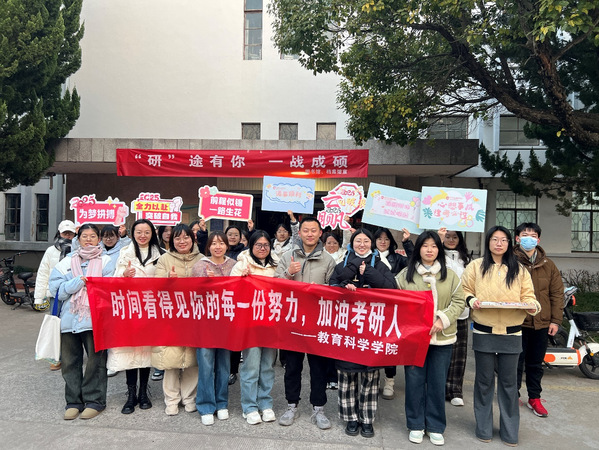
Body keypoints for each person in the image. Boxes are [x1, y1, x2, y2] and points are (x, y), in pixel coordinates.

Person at [462, 226, 541, 446]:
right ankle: (483, 429)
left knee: (509, 384)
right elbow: (465, 290)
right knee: (484, 382)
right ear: (488, 242)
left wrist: (532, 306)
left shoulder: (519, 269)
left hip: (512, 332)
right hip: (483, 330)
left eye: (504, 240)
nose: (499, 243)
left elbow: (529, 295)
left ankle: (510, 432)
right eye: (495, 239)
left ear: (509, 243)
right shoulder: (476, 266)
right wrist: (471, 301)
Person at [396, 231, 465, 446]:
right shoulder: (405, 275)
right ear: (418, 249)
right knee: (414, 381)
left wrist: (442, 319)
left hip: (442, 339)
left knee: (437, 383)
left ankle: (435, 426)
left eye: (434, 246)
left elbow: (459, 302)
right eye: (425, 245)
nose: (429, 250)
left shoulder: (450, 275)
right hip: (414, 340)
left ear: (439, 249)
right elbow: (396, 302)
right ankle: (415, 424)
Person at [329, 228, 397, 438]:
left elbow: (393, 290)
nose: (362, 244)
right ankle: (350, 417)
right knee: (347, 375)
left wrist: (369, 273)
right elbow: (330, 287)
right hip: (347, 328)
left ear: (372, 243)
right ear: (352, 243)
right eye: (358, 240)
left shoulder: (381, 265)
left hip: (371, 329)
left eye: (366, 241)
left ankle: (367, 419)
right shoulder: (342, 263)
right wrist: (343, 285)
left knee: (370, 376)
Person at [275, 216, 337, 430]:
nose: (310, 234)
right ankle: (291, 405)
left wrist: (320, 291)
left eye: (314, 230)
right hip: (293, 322)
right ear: (299, 233)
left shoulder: (328, 260)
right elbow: (275, 285)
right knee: (292, 367)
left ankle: (318, 408)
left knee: (319, 368)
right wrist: (288, 273)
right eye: (306, 230)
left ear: (320, 233)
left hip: (317, 323)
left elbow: (335, 291)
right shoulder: (288, 256)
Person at [48, 223, 114, 420]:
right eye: (84, 236)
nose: (88, 240)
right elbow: (56, 291)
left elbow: (109, 289)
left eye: (93, 236)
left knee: (96, 362)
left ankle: (95, 401)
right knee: (70, 362)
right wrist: (77, 283)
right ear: (78, 239)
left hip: (95, 320)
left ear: (98, 239)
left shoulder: (106, 262)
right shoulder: (66, 262)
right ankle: (73, 402)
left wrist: (90, 285)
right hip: (69, 319)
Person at [110, 219, 164, 414]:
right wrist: (123, 275)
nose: (143, 235)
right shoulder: (124, 253)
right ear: (132, 233)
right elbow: (113, 281)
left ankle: (143, 392)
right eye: (139, 232)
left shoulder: (161, 254)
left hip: (151, 310)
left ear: (152, 234)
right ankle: (131, 394)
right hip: (130, 309)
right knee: (130, 350)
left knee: (146, 352)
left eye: (147, 232)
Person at [152, 224, 204, 415]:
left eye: (186, 237)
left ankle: (189, 398)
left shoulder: (202, 259)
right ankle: (171, 400)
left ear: (193, 239)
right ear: (171, 240)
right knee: (170, 359)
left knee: (192, 360)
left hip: (195, 316)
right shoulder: (164, 259)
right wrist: (168, 278)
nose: (182, 241)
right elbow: (155, 286)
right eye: (177, 238)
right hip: (171, 316)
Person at [514, 222, 564, 417]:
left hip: (541, 323)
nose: (529, 238)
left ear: (538, 240)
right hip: (517, 321)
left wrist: (555, 321)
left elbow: (557, 294)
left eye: (533, 236)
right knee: (515, 362)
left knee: (535, 364)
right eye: (525, 235)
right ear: (517, 238)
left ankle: (534, 397)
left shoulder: (548, 265)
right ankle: (513, 394)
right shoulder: (510, 261)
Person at [231, 230, 278, 425]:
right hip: (250, 324)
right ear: (251, 245)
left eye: (266, 245)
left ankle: (265, 403)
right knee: (251, 366)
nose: (262, 248)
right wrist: (241, 280)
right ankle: (249, 406)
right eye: (258, 245)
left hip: (271, 324)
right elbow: (231, 292)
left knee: (267, 366)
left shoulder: (276, 265)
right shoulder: (241, 265)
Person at [191, 231, 237, 426]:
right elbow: (192, 296)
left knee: (224, 365)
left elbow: (239, 292)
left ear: (227, 245)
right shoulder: (200, 266)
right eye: (214, 243)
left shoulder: (234, 265)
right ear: (208, 246)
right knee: (206, 364)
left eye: (221, 243)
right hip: (205, 323)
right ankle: (206, 405)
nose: (218, 247)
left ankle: (222, 403)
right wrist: (205, 284)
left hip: (226, 323)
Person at [374, 226, 414, 400]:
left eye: (386, 239)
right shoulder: (368, 256)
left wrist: (407, 243)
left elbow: (414, 263)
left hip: (392, 309)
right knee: (373, 345)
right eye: (379, 239)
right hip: (372, 309)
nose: (383, 242)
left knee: (390, 344)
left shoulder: (397, 258)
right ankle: (373, 378)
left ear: (391, 242)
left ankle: (389, 380)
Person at [34, 219, 76, 369]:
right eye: (65, 233)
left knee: (73, 325)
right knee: (56, 325)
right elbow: (43, 274)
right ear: (59, 233)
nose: (68, 236)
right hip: (56, 294)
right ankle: (56, 357)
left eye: (70, 233)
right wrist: (39, 297)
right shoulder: (51, 251)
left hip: (74, 292)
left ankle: (72, 355)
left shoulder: (79, 250)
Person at [438, 227, 472, 407]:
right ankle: (438, 388)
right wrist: (438, 238)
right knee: (440, 352)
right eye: (448, 237)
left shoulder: (467, 260)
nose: (451, 240)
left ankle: (455, 390)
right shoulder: (437, 256)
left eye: (455, 237)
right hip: (441, 312)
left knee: (459, 353)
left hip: (461, 312)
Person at [152, 225, 173, 381]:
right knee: (160, 334)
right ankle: (159, 367)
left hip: (177, 300)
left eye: (171, 231)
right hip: (158, 298)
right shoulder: (157, 251)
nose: (168, 234)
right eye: (165, 231)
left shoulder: (182, 250)